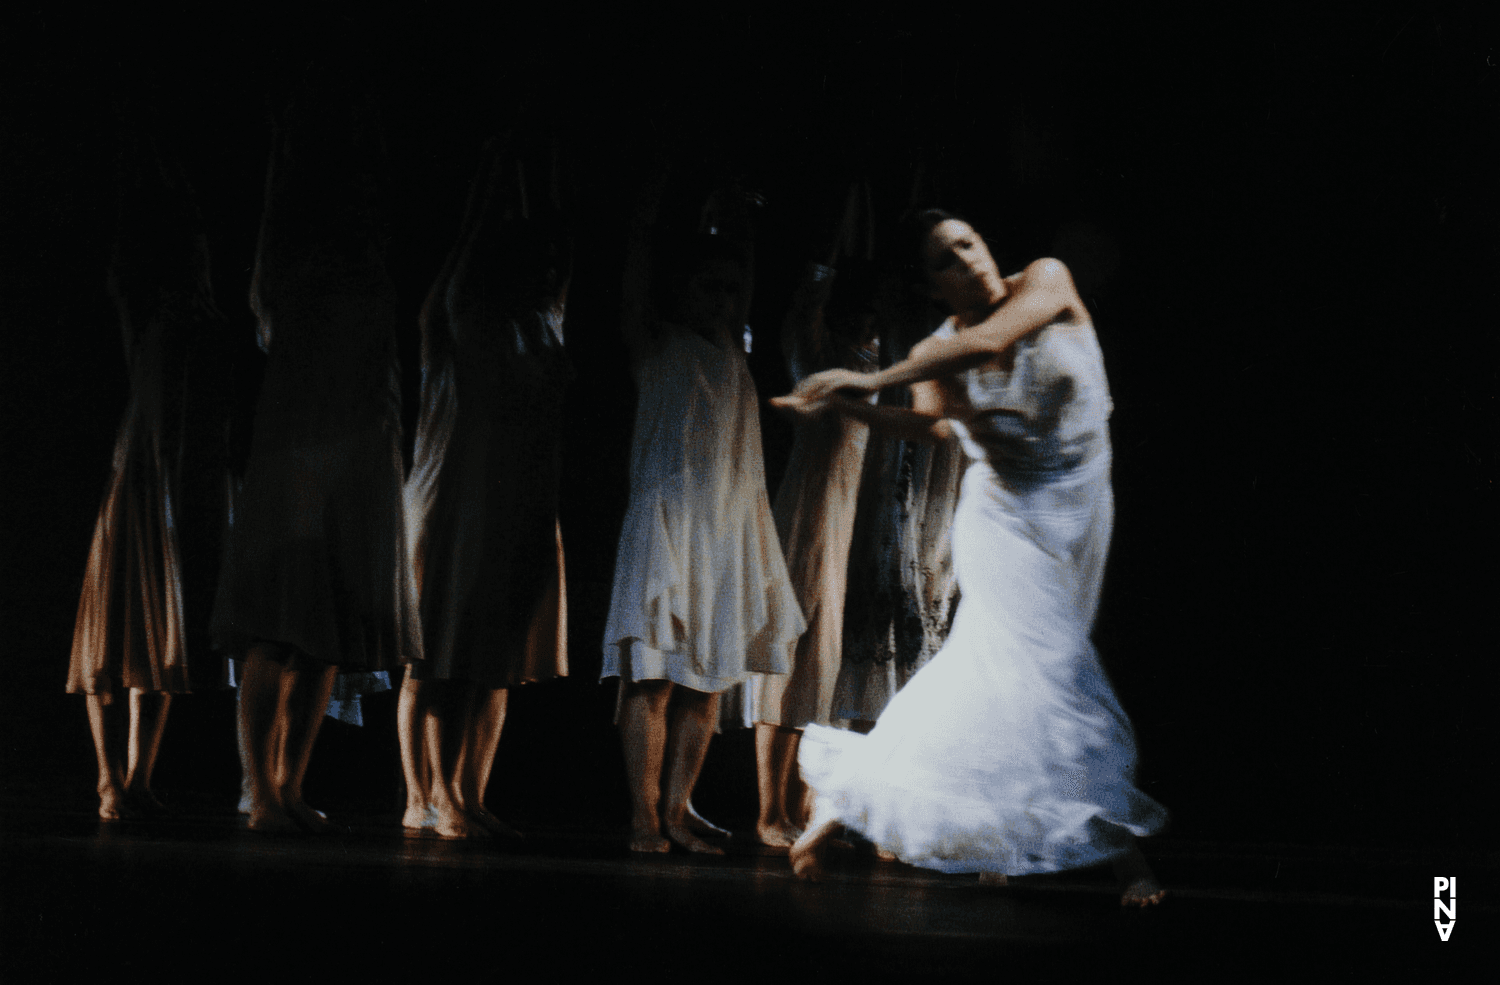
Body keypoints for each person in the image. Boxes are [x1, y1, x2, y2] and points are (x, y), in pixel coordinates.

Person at [777, 210, 1168, 905]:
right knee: (1050, 668)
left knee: (997, 679)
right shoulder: (936, 345)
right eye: (947, 260)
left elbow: (987, 342)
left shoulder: (1046, 281)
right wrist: (851, 407)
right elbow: (932, 426)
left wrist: (871, 379)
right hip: (1002, 519)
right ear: (931, 288)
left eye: (970, 243)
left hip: (1076, 507)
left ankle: (850, 805)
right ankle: (1126, 859)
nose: (969, 259)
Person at [210, 74, 418, 834]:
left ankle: (289, 784)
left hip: (360, 459)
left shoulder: (375, 275)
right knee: (278, 623)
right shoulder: (291, 275)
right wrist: (283, 146)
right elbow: (272, 240)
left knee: (332, 630)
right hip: (295, 457)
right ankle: (258, 786)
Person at [602, 165, 805, 854]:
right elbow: (633, 284)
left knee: (707, 683)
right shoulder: (656, 342)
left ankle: (677, 809)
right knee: (655, 675)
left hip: (727, 530)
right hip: (669, 525)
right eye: (707, 286)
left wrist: (739, 222)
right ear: (681, 289)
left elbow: (745, 287)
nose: (721, 300)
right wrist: (647, 219)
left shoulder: (734, 351)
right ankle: (642, 818)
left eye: (728, 289)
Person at [399, 137, 572, 839]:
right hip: (454, 509)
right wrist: (489, 190)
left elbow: (561, 245)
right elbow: (458, 276)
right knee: (443, 660)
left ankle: (470, 792)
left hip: (519, 505)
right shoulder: (461, 325)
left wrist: (540, 168)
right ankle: (432, 795)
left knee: (497, 664)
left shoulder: (545, 328)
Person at [66, 117, 232, 820]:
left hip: (182, 483)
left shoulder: (201, 321)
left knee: (165, 645)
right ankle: (112, 781)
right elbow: (121, 269)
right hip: (138, 479)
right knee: (113, 641)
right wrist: (155, 171)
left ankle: (138, 780)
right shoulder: (146, 307)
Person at [744, 183, 880, 847]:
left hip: (856, 530)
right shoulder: (815, 353)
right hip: (809, 519)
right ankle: (770, 810)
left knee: (830, 672)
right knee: (789, 663)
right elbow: (811, 291)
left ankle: (808, 809)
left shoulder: (877, 366)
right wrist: (845, 215)